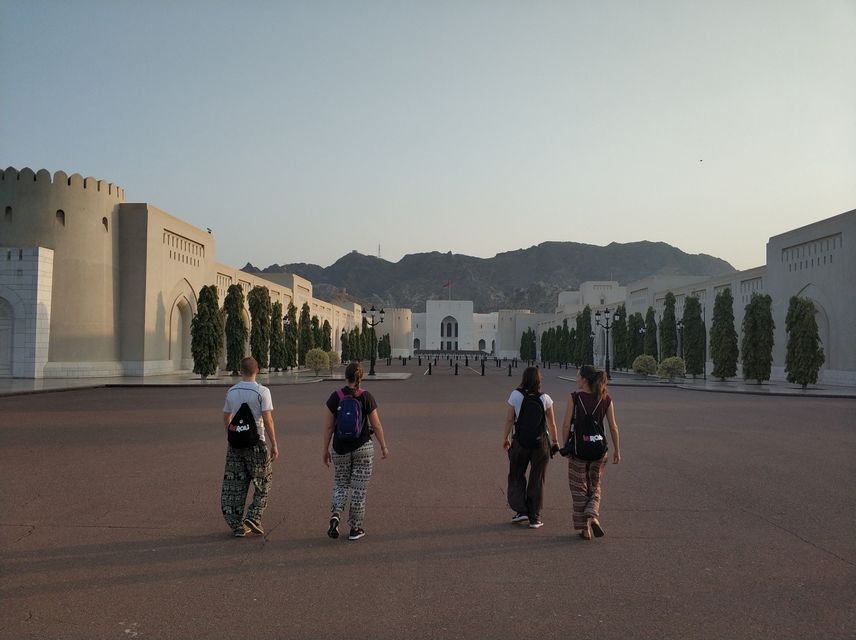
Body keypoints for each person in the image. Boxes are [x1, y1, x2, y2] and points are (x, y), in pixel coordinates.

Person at [323, 362, 389, 541]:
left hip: (340, 447)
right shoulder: (366, 396)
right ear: (361, 377)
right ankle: (355, 528)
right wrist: (383, 445)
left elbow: (329, 427)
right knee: (359, 489)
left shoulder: (335, 397)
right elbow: (376, 424)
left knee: (341, 483)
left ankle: (336, 514)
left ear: (346, 376)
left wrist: (325, 450)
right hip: (363, 447)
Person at [560, 365, 621, 540]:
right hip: (599, 450)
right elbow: (613, 427)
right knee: (595, 486)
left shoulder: (575, 398)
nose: (576, 379)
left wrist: (567, 446)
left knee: (579, 488)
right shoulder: (606, 399)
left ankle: (585, 529)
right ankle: (593, 516)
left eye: (578, 376)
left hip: (579, 450)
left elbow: (565, 425)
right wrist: (617, 449)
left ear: (585, 379)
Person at [221, 356, 279, 537]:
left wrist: (232, 435)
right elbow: (267, 420)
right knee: (264, 482)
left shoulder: (232, 391)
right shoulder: (262, 392)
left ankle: (237, 525)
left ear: (240, 371)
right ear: (258, 370)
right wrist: (274, 444)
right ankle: (253, 516)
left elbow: (226, 417)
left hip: (236, 444)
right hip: (256, 442)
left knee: (235, 484)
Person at [502, 366, 560, 529]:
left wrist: (505, 437)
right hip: (540, 443)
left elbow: (509, 419)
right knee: (537, 478)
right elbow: (552, 423)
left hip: (520, 441)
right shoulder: (546, 398)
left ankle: (521, 510)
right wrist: (555, 442)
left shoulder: (515, 395)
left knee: (517, 475)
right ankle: (534, 516)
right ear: (539, 380)